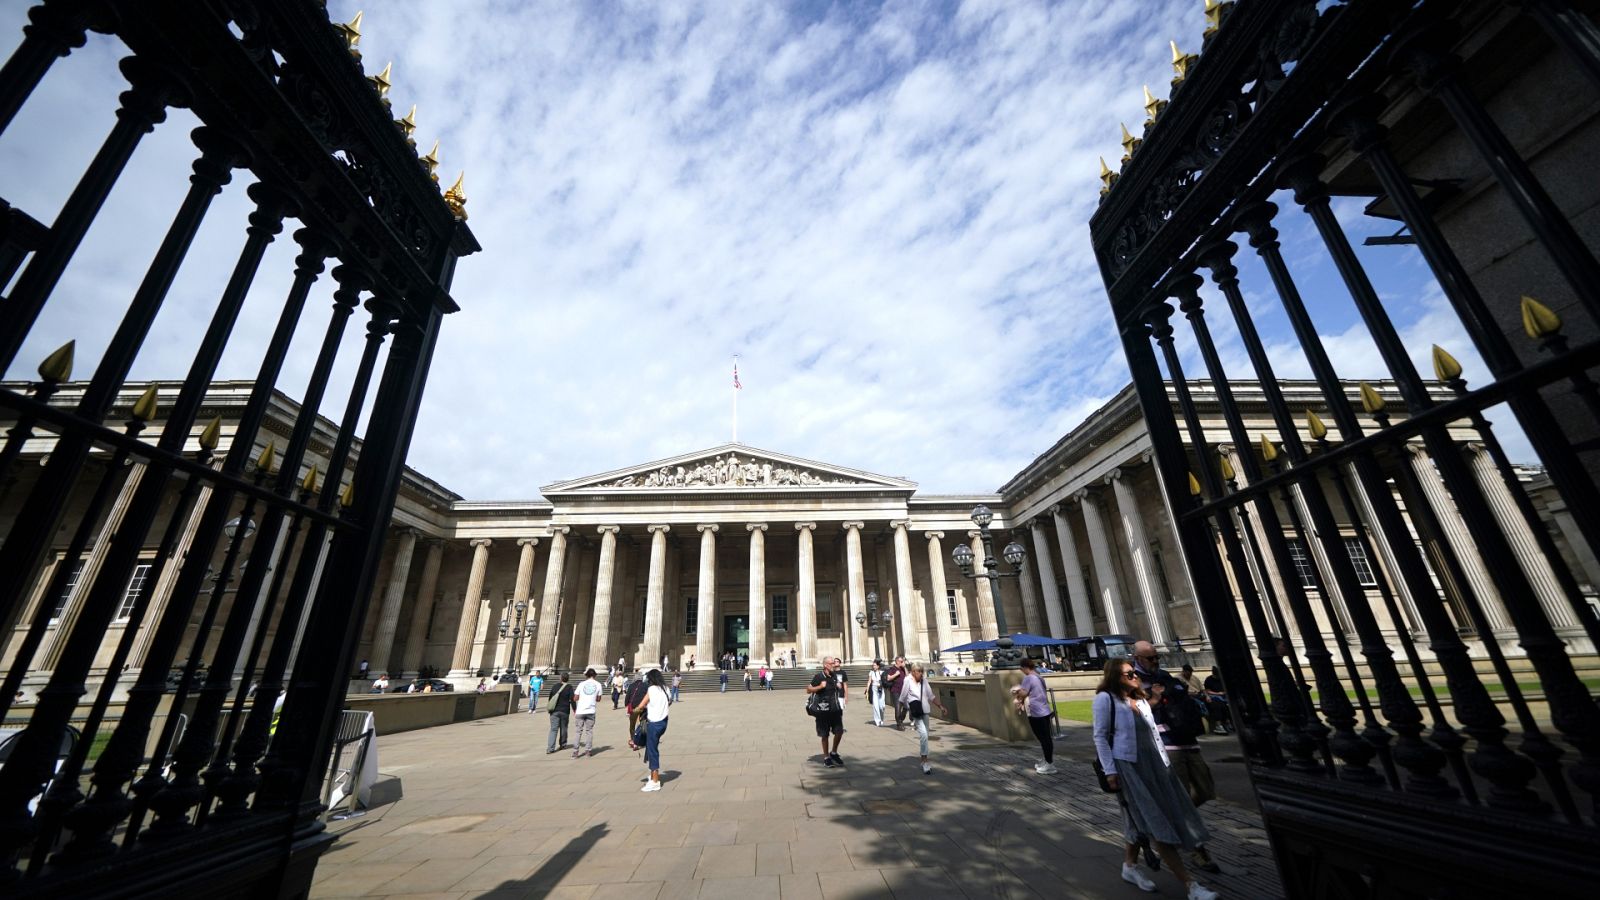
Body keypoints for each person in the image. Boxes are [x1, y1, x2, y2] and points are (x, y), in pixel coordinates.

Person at [1093, 659, 1218, 900]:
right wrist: (1110, 771)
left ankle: (1129, 866)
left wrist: (1165, 764)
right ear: (1115, 677)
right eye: (1129, 674)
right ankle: (1190, 885)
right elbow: (1100, 737)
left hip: (1154, 765)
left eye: (1134, 673)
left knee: (1138, 819)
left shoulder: (1140, 700)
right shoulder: (1105, 699)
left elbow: (1152, 734)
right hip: (1128, 766)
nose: (1135, 676)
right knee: (1155, 822)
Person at [1133, 641, 1219, 874]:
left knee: (1205, 790)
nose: (1155, 661)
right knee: (1181, 795)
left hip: (1187, 737)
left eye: (1157, 657)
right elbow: (1134, 712)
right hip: (1166, 744)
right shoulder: (1134, 681)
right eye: (1151, 658)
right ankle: (1197, 848)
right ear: (1138, 658)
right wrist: (1153, 699)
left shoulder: (1164, 676)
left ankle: (1171, 815)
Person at [899, 662, 946, 774]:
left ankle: (923, 757)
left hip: (925, 710)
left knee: (925, 736)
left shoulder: (924, 681)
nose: (921, 673)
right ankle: (925, 761)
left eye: (922, 671)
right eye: (918, 671)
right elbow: (902, 696)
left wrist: (940, 706)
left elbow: (931, 696)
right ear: (913, 672)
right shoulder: (908, 680)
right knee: (923, 734)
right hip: (916, 712)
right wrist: (900, 714)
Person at [1013, 657, 1057, 775]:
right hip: (1044, 709)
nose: (1021, 671)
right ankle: (1047, 760)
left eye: (1021, 669)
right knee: (1046, 737)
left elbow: (1024, 693)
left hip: (1035, 711)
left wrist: (1016, 691)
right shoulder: (1039, 676)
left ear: (1024, 668)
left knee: (1043, 738)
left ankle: (1049, 763)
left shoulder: (1028, 678)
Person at [807, 657, 847, 767]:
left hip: (835, 709)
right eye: (831, 663)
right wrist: (820, 686)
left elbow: (839, 687)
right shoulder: (819, 677)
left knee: (839, 732)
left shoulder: (834, 676)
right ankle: (826, 757)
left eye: (834, 663)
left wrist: (838, 687)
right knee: (824, 735)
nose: (834, 665)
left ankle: (833, 752)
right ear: (825, 665)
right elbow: (808, 689)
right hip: (823, 710)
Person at [641, 668, 670, 792]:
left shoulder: (651, 689)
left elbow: (641, 705)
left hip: (653, 723)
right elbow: (669, 702)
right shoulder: (666, 688)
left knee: (652, 751)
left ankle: (655, 781)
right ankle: (652, 775)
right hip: (663, 723)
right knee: (651, 747)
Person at [573, 668, 602, 758]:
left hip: (580, 710)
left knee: (578, 731)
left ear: (586, 675)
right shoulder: (598, 684)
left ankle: (575, 752)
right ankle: (588, 751)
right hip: (591, 711)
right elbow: (598, 699)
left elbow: (575, 698)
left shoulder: (581, 684)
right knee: (589, 731)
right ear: (595, 675)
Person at [545, 673, 573, 753]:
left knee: (553, 729)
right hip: (565, 711)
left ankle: (550, 748)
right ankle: (563, 744)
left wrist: (550, 708)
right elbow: (572, 699)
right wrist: (575, 709)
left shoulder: (555, 686)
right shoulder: (569, 687)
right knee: (564, 728)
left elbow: (550, 698)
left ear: (560, 678)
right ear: (568, 679)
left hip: (554, 711)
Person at [625, 670, 650, 750]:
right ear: (641, 678)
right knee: (643, 724)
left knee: (632, 725)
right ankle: (642, 741)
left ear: (635, 678)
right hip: (643, 707)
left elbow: (627, 697)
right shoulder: (646, 685)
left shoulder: (631, 686)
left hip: (634, 708)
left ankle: (633, 740)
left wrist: (626, 704)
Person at [1202, 666, 1230, 735]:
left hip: (1223, 696)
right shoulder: (1209, 679)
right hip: (1214, 697)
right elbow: (1207, 691)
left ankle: (1227, 723)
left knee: (1226, 705)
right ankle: (1219, 725)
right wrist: (1218, 693)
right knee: (1216, 705)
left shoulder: (1222, 679)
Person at [884, 656, 907, 729]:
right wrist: (896, 674)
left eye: (903, 661)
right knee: (898, 707)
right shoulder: (892, 669)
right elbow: (888, 678)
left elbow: (907, 676)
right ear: (897, 661)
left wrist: (905, 668)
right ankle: (899, 724)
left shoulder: (902, 669)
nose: (902, 663)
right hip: (895, 691)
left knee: (906, 707)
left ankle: (901, 719)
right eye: (901, 661)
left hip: (903, 691)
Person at [865, 660, 885, 726]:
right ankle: (877, 721)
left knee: (881, 706)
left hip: (881, 689)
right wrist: (867, 689)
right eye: (873, 665)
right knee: (875, 706)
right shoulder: (871, 672)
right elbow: (869, 681)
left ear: (878, 666)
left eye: (875, 665)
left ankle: (881, 719)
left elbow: (884, 681)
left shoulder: (882, 672)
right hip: (874, 689)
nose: (873, 666)